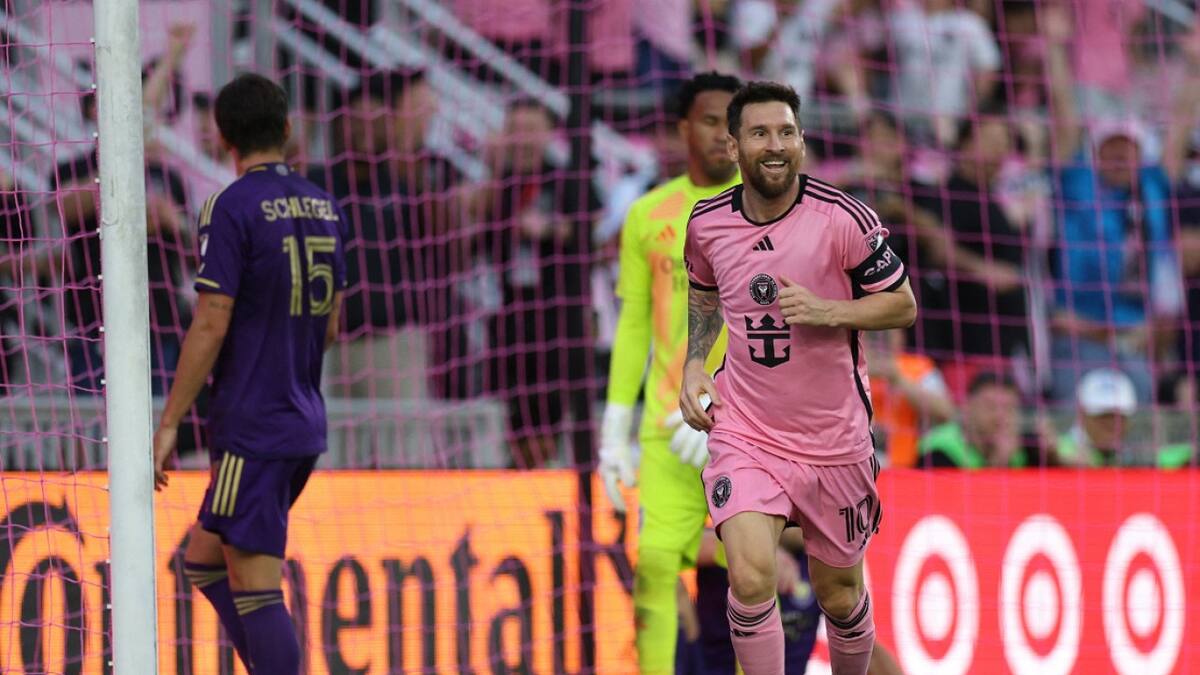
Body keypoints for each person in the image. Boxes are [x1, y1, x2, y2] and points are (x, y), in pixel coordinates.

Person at [681, 81, 917, 674]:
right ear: (734, 147)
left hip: (834, 440)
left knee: (840, 595)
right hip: (748, 430)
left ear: (803, 143)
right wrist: (693, 363)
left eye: (786, 131)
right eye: (760, 132)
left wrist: (831, 310)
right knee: (752, 574)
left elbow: (902, 304)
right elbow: (705, 295)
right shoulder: (707, 223)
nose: (775, 143)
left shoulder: (843, 219)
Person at [151, 74, 346, 674]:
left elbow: (211, 320)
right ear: (287, 130)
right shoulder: (325, 206)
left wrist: (168, 424)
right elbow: (332, 324)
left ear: (222, 136)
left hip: (253, 427)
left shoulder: (229, 206)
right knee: (203, 559)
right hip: (303, 418)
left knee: (258, 586)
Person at [596, 71, 743, 672]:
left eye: (732, 122)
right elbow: (634, 327)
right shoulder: (648, 214)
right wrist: (614, 432)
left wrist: (726, 400)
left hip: (748, 428)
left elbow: (780, 325)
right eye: (710, 121)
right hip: (666, 424)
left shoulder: (771, 212)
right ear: (683, 129)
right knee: (656, 566)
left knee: (751, 575)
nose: (724, 135)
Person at [1043, 7, 1200, 403]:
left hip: (1135, 340)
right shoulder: (1077, 182)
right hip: (1078, 336)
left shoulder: (1153, 184)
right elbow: (1065, 115)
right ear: (1096, 153)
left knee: (1137, 442)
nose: (1118, 156)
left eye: (1126, 148)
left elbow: (1182, 120)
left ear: (1138, 152)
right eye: (1109, 148)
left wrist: (1196, 67)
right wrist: (1056, 48)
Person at [476, 98, 596, 467]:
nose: (523, 139)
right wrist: (492, 173)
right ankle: (523, 475)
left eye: (531, 130)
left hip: (556, 319)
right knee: (514, 413)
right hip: (509, 317)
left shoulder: (567, 179)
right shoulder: (500, 183)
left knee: (551, 413)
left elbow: (593, 232)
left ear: (547, 134)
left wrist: (551, 229)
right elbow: (471, 230)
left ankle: (542, 479)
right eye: (516, 130)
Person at [1055, 368, 1191, 468]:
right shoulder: (1060, 448)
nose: (1112, 424)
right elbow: (1059, 457)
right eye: (1103, 416)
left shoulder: (1131, 450)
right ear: (1083, 415)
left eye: (1119, 417)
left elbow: (1167, 457)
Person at [918, 372, 1031, 469]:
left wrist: (1049, 455)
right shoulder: (939, 452)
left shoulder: (1025, 449)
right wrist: (999, 464)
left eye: (1009, 408)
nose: (1000, 416)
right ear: (966, 407)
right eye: (990, 406)